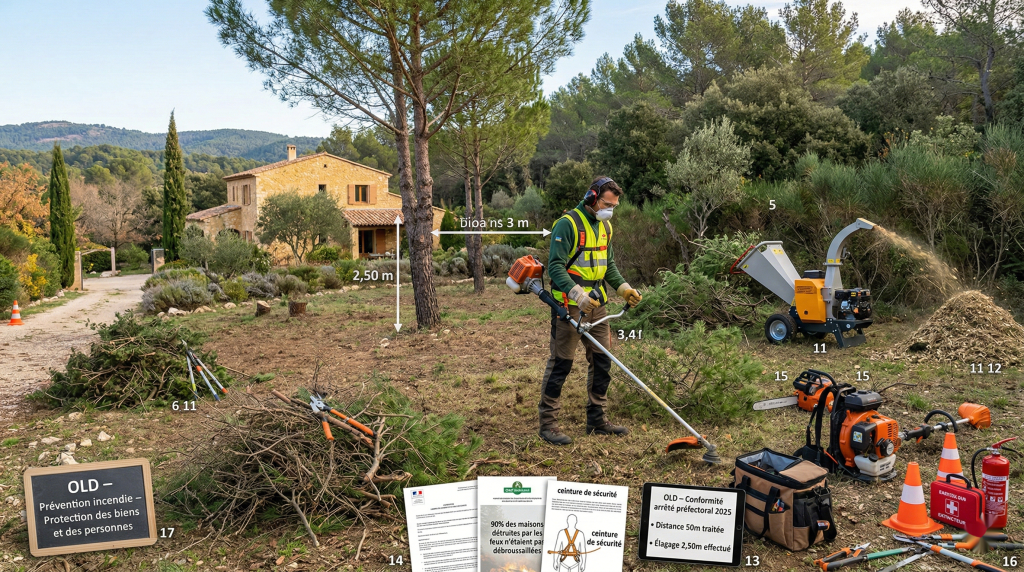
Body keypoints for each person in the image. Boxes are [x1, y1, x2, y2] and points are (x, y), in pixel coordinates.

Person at [538, 176, 642, 446]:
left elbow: (609, 266)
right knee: (562, 363)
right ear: (592, 198)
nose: (610, 210)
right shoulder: (568, 224)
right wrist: (577, 295)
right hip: (570, 305)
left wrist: (624, 289)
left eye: (614, 206)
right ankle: (548, 424)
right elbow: (556, 267)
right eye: (607, 204)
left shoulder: (605, 227)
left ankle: (597, 420)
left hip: (598, 305)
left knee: (602, 361)